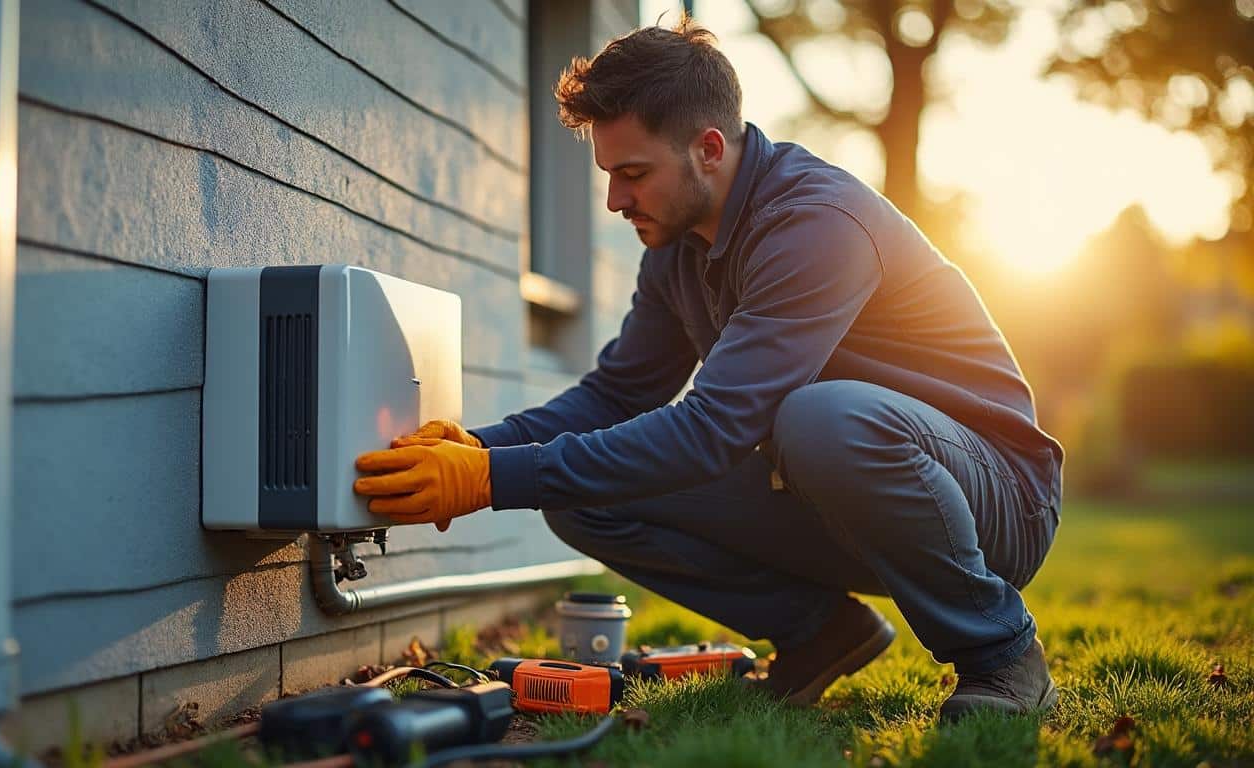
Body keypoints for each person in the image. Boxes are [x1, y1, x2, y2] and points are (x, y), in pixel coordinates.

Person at [352, 16, 1063, 722]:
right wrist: (483, 448)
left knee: (818, 418)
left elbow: (716, 428)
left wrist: (491, 482)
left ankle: (1001, 655)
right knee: (576, 489)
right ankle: (820, 633)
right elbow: (619, 393)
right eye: (609, 175)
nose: (615, 201)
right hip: (834, 485)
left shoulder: (817, 223)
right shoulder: (677, 247)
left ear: (710, 148)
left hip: (994, 497)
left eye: (633, 174)